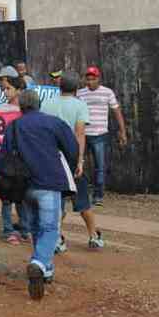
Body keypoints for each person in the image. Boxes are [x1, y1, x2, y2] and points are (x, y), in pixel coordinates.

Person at [0, 90, 78, 300]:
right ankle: (39, 262)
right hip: (49, 182)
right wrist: (70, 166)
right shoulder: (54, 123)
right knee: (50, 227)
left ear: (21, 107)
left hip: (23, 187)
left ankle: (47, 270)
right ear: (39, 104)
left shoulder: (13, 126)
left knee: (34, 227)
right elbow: (72, 147)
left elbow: (3, 157)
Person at [41, 73, 104, 252]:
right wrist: (80, 160)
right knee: (82, 199)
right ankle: (93, 237)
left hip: (52, 156)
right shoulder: (80, 105)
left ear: (59, 86)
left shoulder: (46, 103)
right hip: (71, 156)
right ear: (76, 89)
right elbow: (80, 133)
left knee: (56, 199)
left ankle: (57, 240)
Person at [77, 66, 127, 206]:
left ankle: (98, 196)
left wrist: (122, 131)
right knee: (79, 164)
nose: (90, 81)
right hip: (83, 135)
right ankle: (81, 194)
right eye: (88, 78)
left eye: (93, 79)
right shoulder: (80, 93)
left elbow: (116, 111)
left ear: (98, 79)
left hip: (100, 134)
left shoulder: (107, 92)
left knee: (100, 166)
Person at [0, 75, 30, 244]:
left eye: (9, 89)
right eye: (4, 89)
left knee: (22, 196)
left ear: (19, 91)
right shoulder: (1, 108)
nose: (5, 92)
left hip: (23, 160)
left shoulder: (26, 111)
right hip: (6, 160)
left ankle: (24, 228)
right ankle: (8, 230)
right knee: (6, 196)